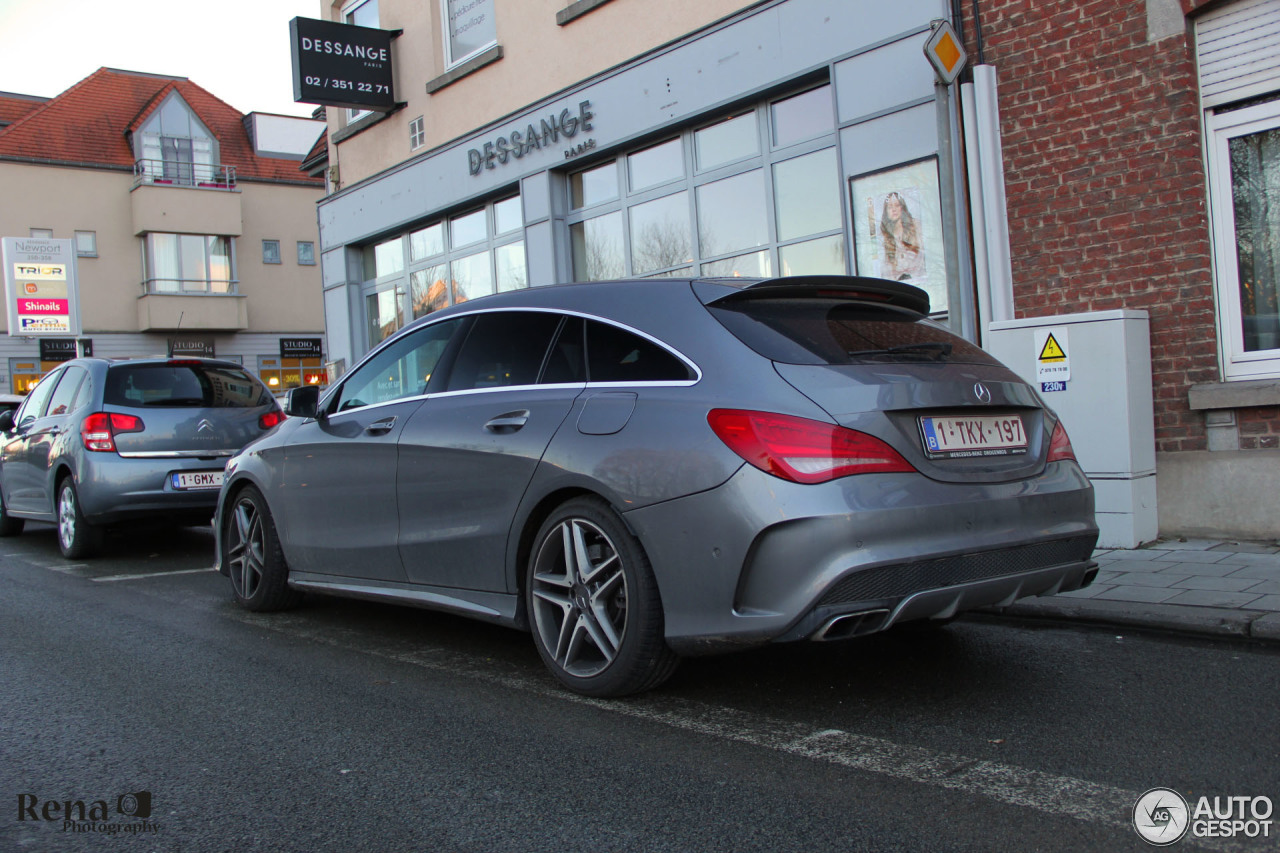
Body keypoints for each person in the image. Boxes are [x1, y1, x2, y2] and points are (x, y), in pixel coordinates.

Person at [878, 191, 926, 282]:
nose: (894, 209)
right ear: (886, 211)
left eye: (897, 205)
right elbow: (885, 269)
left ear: (902, 207)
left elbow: (923, 256)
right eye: (890, 207)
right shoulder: (885, 235)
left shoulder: (916, 226)